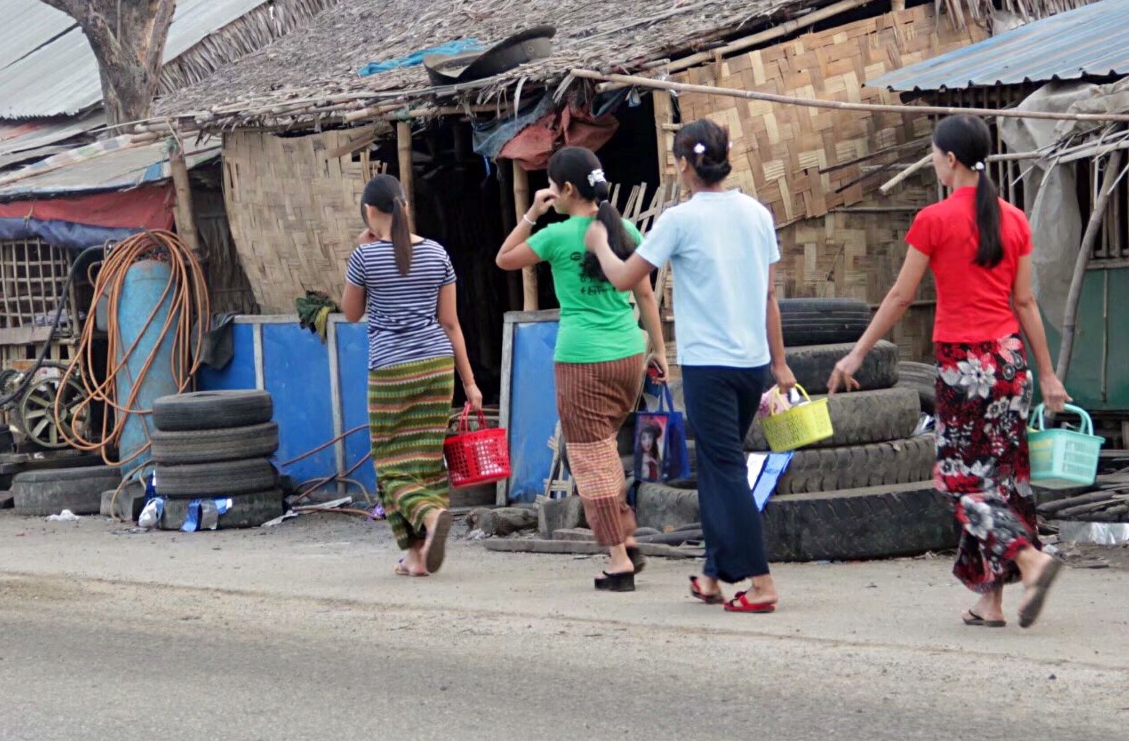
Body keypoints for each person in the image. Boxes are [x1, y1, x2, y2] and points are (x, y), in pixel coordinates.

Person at [817, 115, 1069, 629]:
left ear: (950, 160)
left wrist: (856, 354)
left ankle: (1028, 557)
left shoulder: (933, 219)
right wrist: (1048, 374)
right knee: (1002, 482)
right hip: (1010, 364)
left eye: (934, 154)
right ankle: (991, 601)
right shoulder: (1013, 219)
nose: (935, 162)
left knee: (958, 480)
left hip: (964, 368)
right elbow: (1025, 301)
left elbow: (900, 296)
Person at [586, 120, 796, 614]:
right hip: (753, 364)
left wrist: (599, 243)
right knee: (719, 468)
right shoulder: (756, 213)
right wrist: (781, 363)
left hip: (708, 367)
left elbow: (622, 279)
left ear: (683, 164)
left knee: (724, 470)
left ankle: (761, 582)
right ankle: (711, 575)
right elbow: (769, 296)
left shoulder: (680, 220)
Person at [495, 147, 669, 592]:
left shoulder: (556, 236)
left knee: (590, 457)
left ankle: (618, 558)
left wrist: (532, 213)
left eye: (552, 186)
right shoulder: (625, 227)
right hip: (629, 353)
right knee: (605, 448)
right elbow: (646, 296)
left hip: (582, 360)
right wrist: (661, 351)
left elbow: (505, 258)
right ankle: (624, 532)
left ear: (565, 190)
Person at [341, 174, 483, 578]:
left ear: (370, 211)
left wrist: (358, 253)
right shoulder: (438, 253)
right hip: (437, 368)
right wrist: (470, 382)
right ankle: (416, 556)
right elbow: (451, 324)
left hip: (391, 372)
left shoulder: (364, 257)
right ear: (402, 206)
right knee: (425, 463)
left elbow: (351, 314)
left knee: (391, 466)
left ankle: (432, 516)